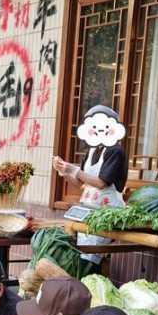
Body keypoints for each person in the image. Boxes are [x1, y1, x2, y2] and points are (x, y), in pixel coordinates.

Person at [53, 105, 128, 268]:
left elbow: (102, 182)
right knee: (82, 255)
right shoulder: (92, 151)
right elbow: (81, 182)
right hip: (87, 210)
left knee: (90, 258)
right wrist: (64, 172)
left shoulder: (115, 151)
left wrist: (74, 170)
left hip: (106, 212)